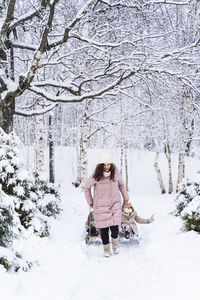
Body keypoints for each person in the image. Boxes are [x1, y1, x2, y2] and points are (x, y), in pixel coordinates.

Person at [84, 152, 129, 257]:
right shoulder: (96, 175)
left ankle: (115, 243)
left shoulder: (116, 173)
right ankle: (106, 249)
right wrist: (90, 202)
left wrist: (126, 198)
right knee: (104, 229)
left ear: (111, 164)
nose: (107, 167)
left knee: (114, 228)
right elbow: (86, 188)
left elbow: (122, 185)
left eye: (108, 164)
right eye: (104, 164)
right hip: (100, 206)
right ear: (100, 165)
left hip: (115, 204)